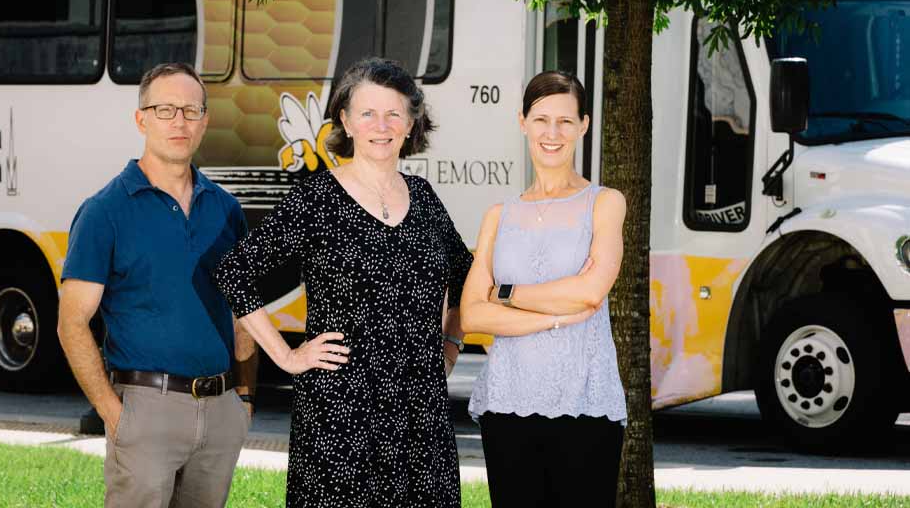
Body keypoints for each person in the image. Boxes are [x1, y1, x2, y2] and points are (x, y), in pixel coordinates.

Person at [215, 57, 472, 507]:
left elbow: (466, 275)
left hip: (420, 413)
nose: (382, 125)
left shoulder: (426, 201)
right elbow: (235, 271)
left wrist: (450, 345)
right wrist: (286, 355)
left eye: (395, 113)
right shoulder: (317, 199)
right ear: (347, 123)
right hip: (341, 411)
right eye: (368, 113)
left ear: (412, 123)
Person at [57, 62, 257, 508]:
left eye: (191, 110)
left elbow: (245, 314)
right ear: (141, 119)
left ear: (205, 121)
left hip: (222, 407)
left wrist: (243, 398)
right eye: (165, 110)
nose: (180, 122)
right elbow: (72, 323)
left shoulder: (226, 210)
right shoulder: (105, 212)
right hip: (146, 408)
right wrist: (114, 413)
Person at [460, 71, 628, 507]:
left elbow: (590, 293)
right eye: (541, 120)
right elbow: (473, 316)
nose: (552, 133)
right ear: (522, 122)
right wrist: (556, 314)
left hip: (585, 403)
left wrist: (505, 292)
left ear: (584, 126)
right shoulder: (499, 215)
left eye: (566, 122)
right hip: (508, 401)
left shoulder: (605, 203)